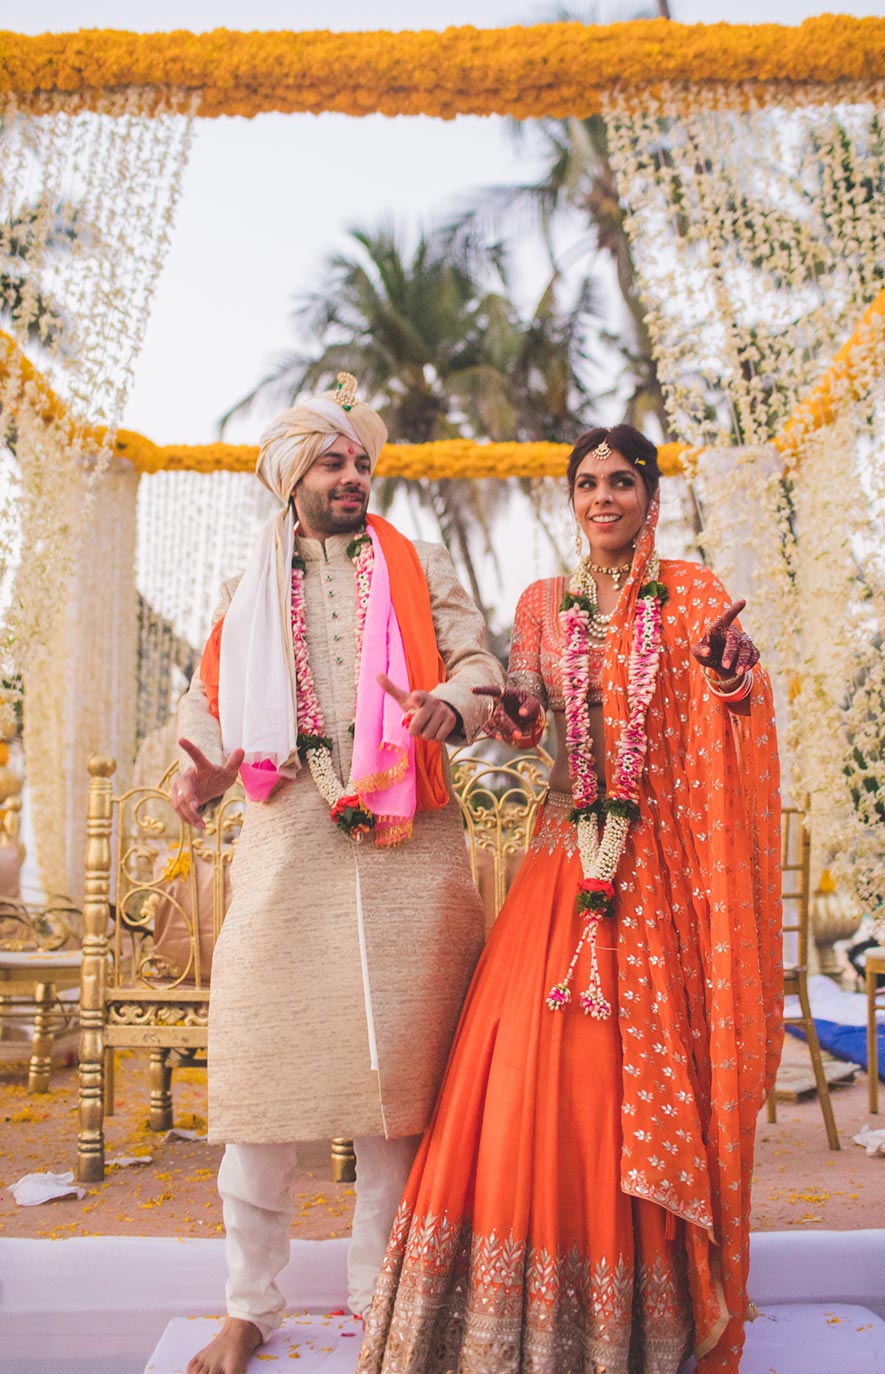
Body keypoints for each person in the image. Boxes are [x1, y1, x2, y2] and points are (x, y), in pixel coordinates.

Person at [357, 424, 783, 1374]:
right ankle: (509, 1315)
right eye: (587, 483)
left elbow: (736, 694)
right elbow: (524, 709)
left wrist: (731, 674)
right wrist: (508, 714)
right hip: (563, 859)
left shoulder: (693, 595)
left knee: (636, 1074)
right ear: (571, 498)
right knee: (524, 1066)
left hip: (658, 865)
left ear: (650, 496)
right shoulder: (543, 603)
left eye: (621, 481)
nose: (603, 498)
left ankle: (640, 1318)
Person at [170, 373, 512, 1374]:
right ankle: (248, 1308)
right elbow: (207, 700)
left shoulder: (420, 561)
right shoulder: (250, 585)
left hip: (411, 846)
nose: (352, 475)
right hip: (287, 837)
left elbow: (478, 661)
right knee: (259, 1079)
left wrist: (452, 702)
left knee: (395, 1093)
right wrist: (203, 771)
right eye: (332, 462)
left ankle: (382, 1300)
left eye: (360, 461)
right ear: (292, 477)